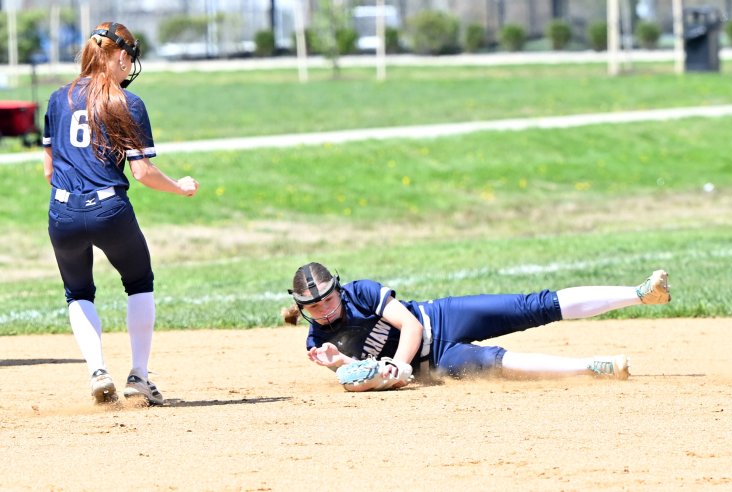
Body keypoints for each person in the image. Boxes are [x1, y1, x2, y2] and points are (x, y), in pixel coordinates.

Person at [42, 22, 199, 405]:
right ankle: (139, 376)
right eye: (128, 59)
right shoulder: (127, 103)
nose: (129, 67)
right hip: (109, 207)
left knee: (78, 291)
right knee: (138, 281)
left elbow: (49, 170)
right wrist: (179, 186)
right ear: (121, 57)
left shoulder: (57, 98)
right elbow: (142, 172)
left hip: (61, 210)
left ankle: (97, 371)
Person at [285, 262, 672, 385]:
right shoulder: (318, 341)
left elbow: (411, 327)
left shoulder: (361, 293)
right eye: (313, 307)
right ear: (301, 308)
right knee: (496, 363)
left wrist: (398, 367)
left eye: (327, 299)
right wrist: (340, 363)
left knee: (532, 306)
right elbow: (359, 378)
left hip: (441, 317)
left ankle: (641, 293)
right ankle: (592, 367)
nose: (323, 311)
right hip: (436, 363)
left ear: (337, 289)